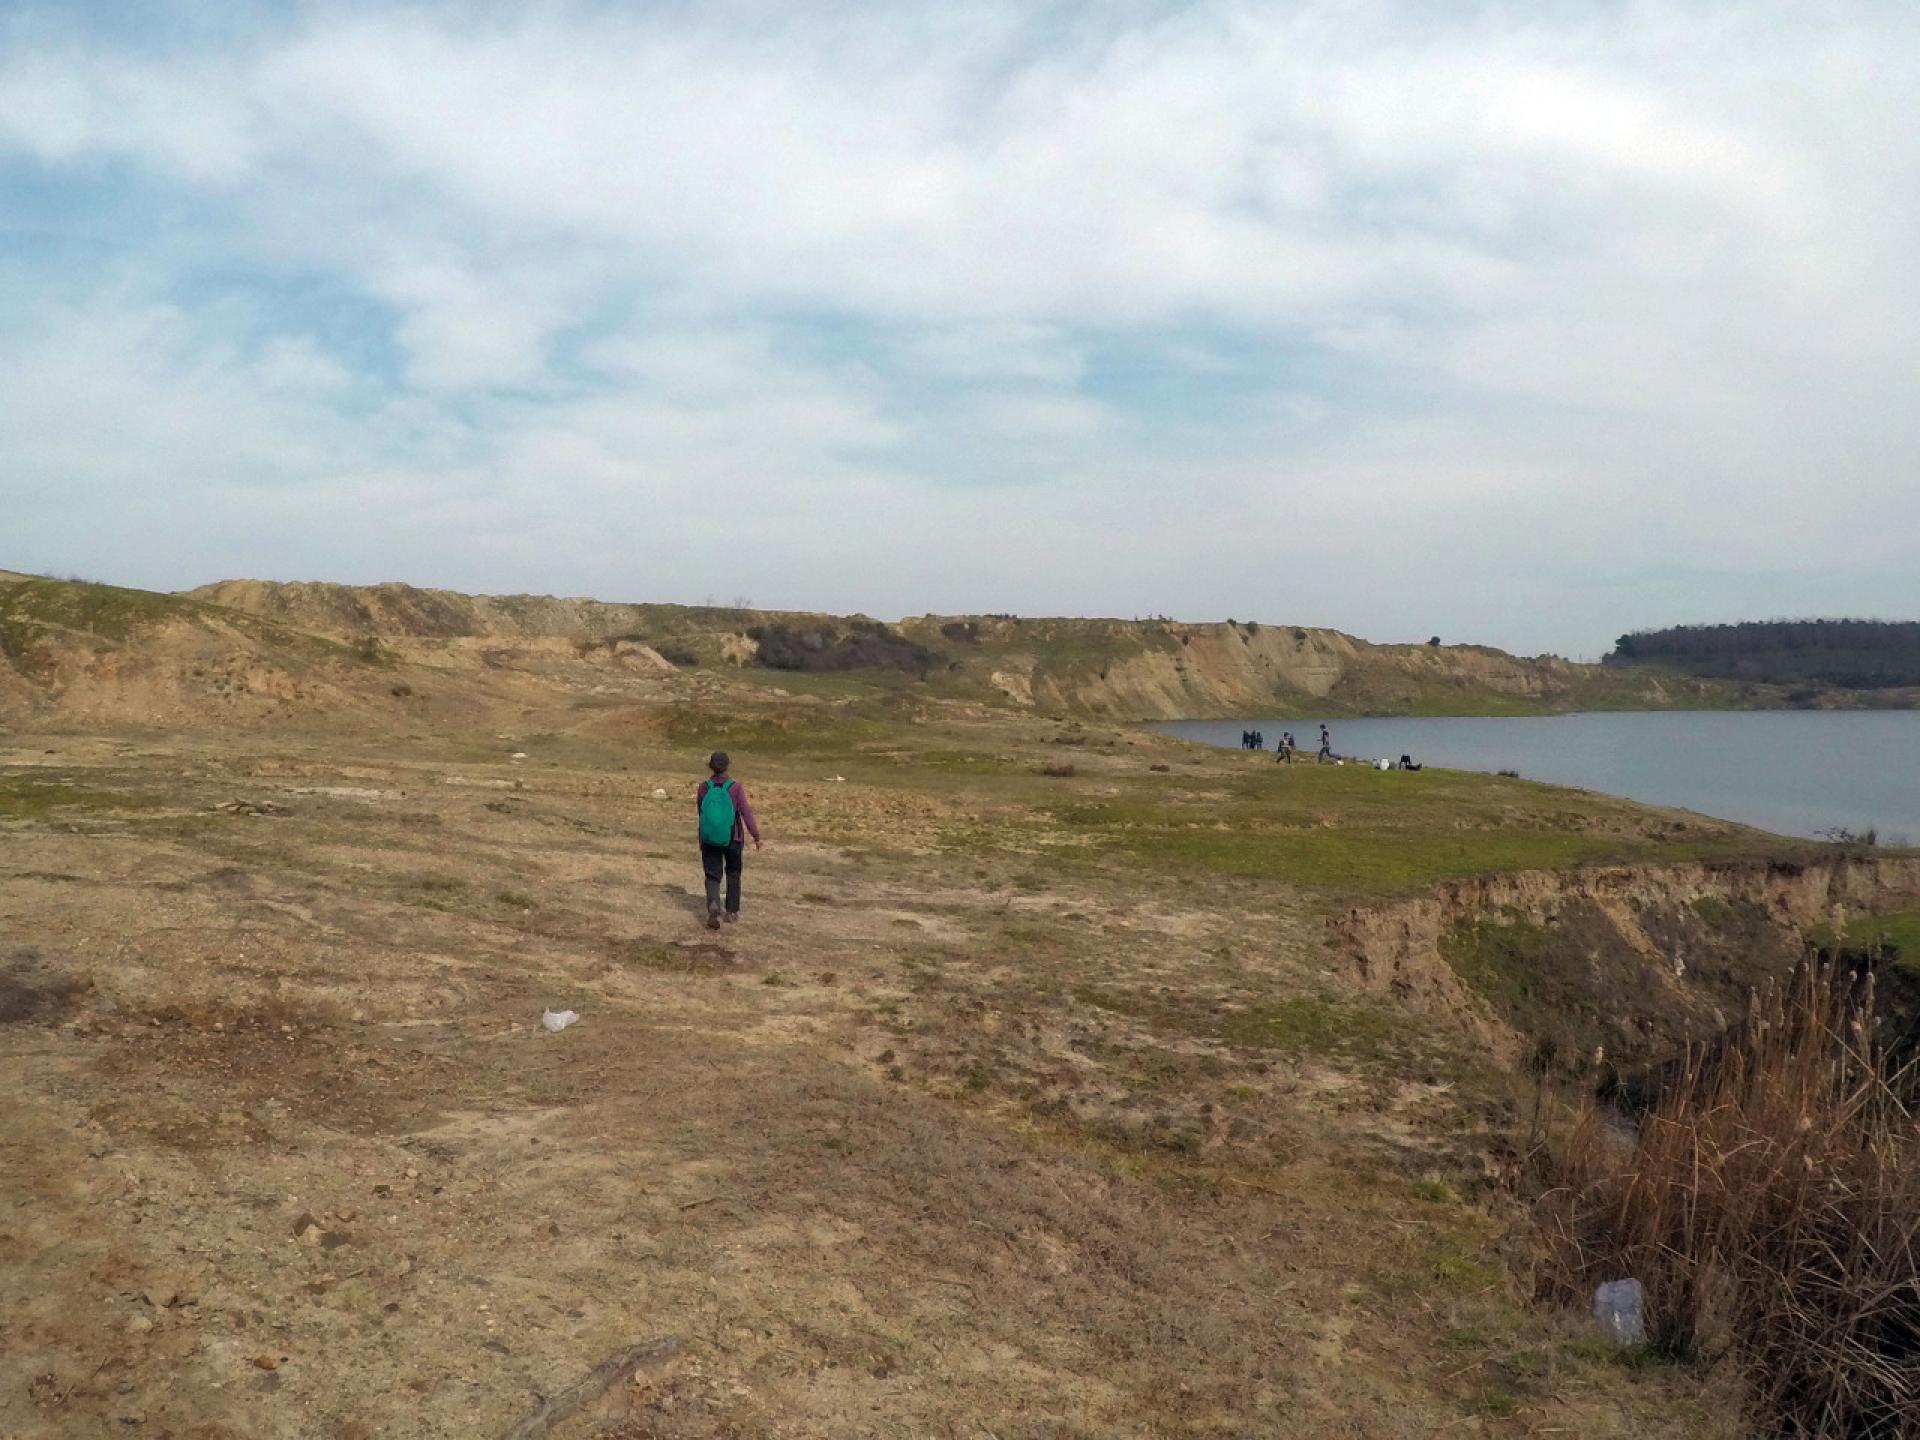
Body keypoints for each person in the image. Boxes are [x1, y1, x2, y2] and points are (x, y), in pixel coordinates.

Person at [695, 750, 762, 929]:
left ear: (711, 766)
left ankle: (713, 904)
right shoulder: (735, 787)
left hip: (709, 838)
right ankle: (731, 911)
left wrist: (702, 837)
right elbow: (746, 813)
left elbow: (701, 814)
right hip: (734, 838)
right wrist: (756, 835)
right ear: (727, 766)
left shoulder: (703, 787)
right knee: (733, 872)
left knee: (712, 874)